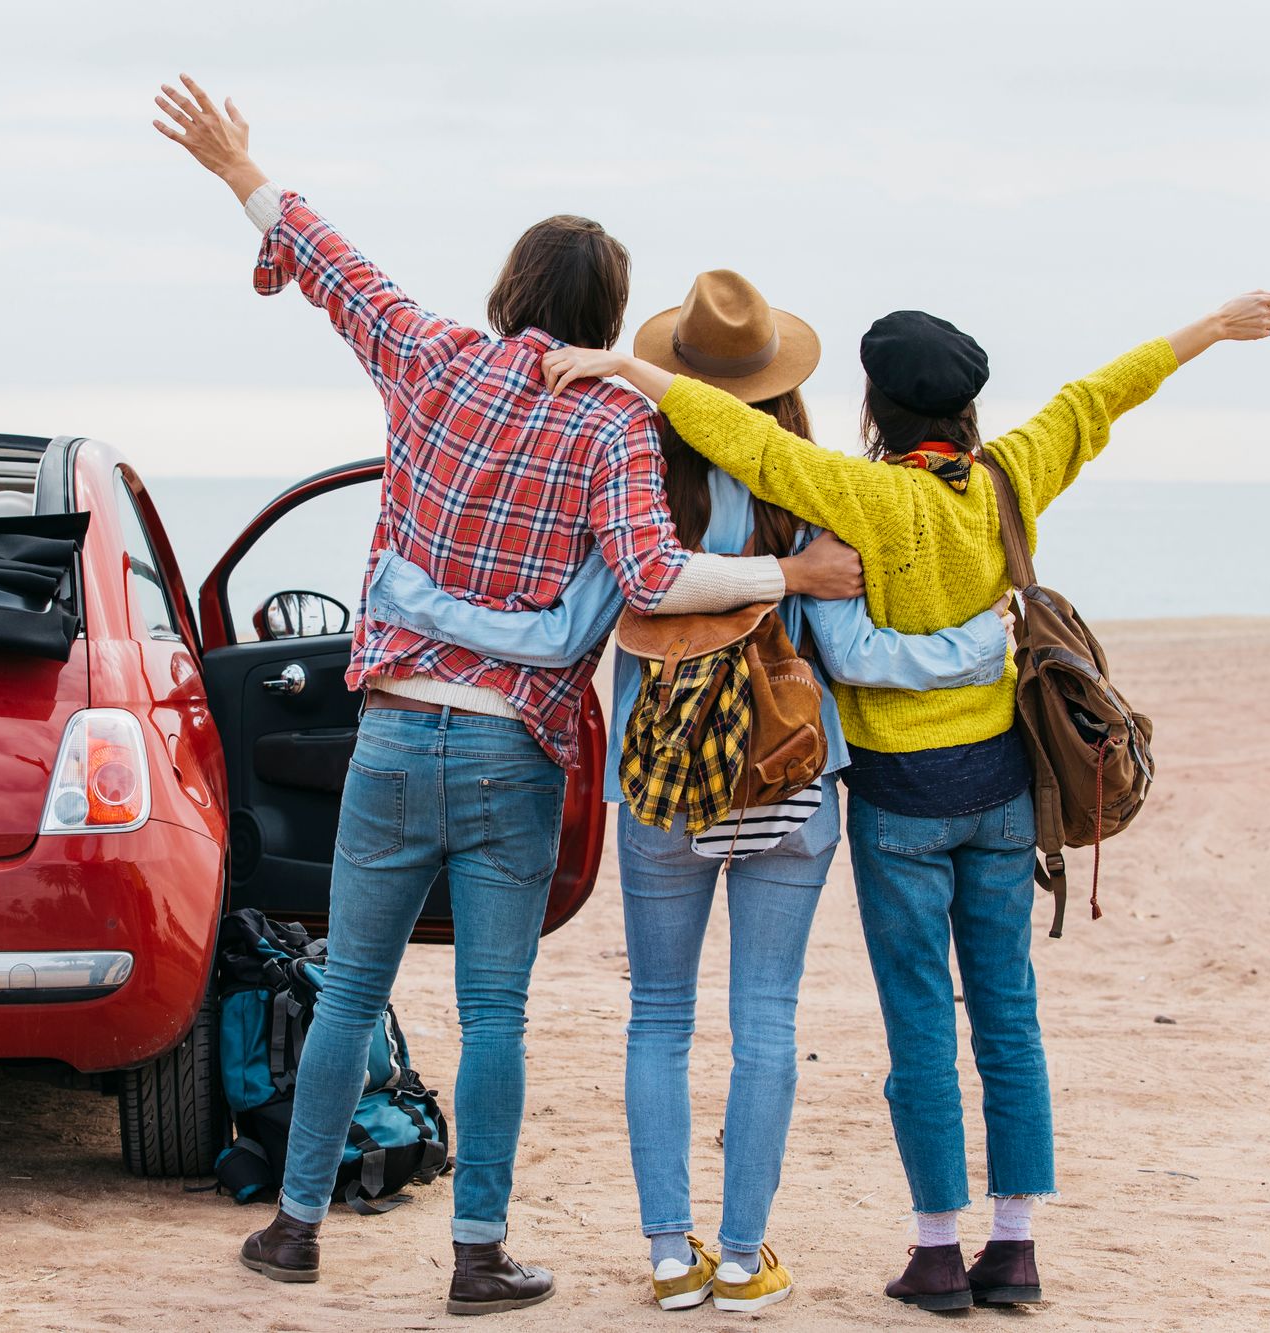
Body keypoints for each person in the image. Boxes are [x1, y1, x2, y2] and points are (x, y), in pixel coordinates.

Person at [151, 78, 862, 1317]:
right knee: (493, 1013)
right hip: (508, 753)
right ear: (608, 320)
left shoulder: (428, 358)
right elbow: (650, 575)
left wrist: (238, 170)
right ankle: (476, 1254)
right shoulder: (608, 425)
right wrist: (788, 571)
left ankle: (295, 1228)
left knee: (350, 991)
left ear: (507, 291)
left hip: (386, 736)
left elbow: (331, 264)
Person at [540, 289, 1270, 1311]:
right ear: (967, 411)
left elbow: (737, 438)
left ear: (872, 409)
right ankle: (1014, 1244)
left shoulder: (858, 495)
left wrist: (633, 371)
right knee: (1008, 1017)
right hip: (1001, 795)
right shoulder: (1007, 478)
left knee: (917, 1028)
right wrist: (1206, 329)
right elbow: (1097, 398)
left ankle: (936, 1249)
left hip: (897, 807)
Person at [362, 270, 1015, 1314]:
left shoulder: (632, 465)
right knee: (765, 1018)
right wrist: (981, 642)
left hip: (662, 784)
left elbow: (583, 610)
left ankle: (671, 1255)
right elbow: (848, 645)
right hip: (790, 784)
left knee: (657, 1017)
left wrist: (411, 599)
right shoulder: (812, 487)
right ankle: (745, 1254)